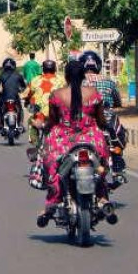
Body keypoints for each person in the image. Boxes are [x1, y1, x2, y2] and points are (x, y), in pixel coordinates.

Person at [36, 59, 110, 227]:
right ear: (84, 75)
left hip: (63, 140)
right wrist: (107, 128)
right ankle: (103, 198)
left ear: (66, 76)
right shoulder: (94, 93)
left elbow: (53, 121)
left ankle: (51, 204)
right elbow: (101, 120)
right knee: (103, 164)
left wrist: (45, 128)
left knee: (52, 166)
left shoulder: (57, 95)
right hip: (92, 138)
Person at [80, 51, 127, 186]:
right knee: (117, 139)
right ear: (98, 65)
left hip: (84, 123)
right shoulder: (109, 82)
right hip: (107, 123)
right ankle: (118, 170)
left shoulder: (78, 83)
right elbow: (118, 101)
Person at [23, 59, 64, 148]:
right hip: (57, 115)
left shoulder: (35, 80)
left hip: (40, 116)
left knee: (31, 121)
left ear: (43, 69)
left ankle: (36, 145)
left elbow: (27, 94)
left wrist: (26, 100)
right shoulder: (61, 80)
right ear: (55, 69)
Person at [0, 58, 26, 135]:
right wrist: (20, 90)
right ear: (14, 66)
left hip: (4, 97)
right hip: (15, 97)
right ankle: (21, 124)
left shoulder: (1, 76)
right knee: (20, 109)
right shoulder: (18, 75)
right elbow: (23, 86)